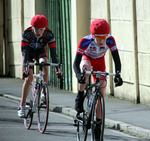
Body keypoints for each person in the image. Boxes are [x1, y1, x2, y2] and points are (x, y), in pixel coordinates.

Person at [73, 19, 123, 140]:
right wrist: (78, 74)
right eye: (98, 38)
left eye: (103, 38)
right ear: (93, 36)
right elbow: (76, 63)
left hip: (100, 61)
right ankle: (80, 96)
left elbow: (116, 58)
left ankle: (98, 125)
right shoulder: (85, 41)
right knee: (86, 69)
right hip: (87, 58)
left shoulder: (110, 40)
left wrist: (118, 74)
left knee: (102, 89)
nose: (101, 41)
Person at [18, 15, 62, 118]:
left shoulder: (49, 34)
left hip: (40, 52)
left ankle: (43, 92)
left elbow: (53, 54)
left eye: (41, 29)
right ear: (32, 27)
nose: (38, 32)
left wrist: (57, 69)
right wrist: (25, 68)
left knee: (45, 63)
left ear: (45, 28)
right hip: (28, 52)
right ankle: (22, 105)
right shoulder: (27, 33)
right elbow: (24, 52)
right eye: (36, 29)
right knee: (29, 78)